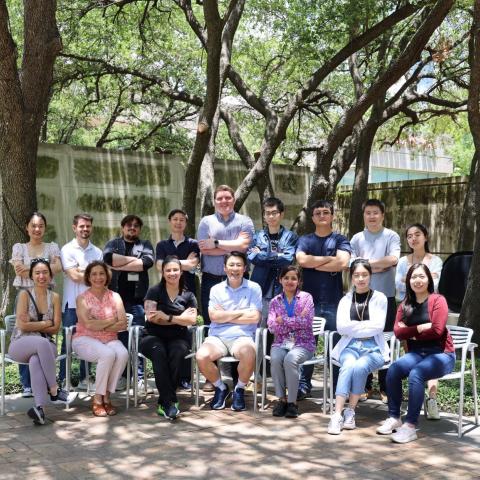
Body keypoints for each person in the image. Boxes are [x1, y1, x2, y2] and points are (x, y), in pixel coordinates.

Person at [377, 264, 455, 443]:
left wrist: (410, 331)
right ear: (408, 281)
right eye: (413, 277)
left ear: (428, 279)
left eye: (421, 276)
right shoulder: (405, 304)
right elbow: (398, 333)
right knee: (394, 369)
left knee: (416, 374)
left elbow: (437, 330)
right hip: (418, 352)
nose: (417, 281)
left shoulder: (438, 300)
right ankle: (394, 417)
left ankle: (411, 426)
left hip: (442, 354)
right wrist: (420, 327)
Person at [197, 185, 255, 390]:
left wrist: (217, 244)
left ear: (234, 200)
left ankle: (241, 375)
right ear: (214, 201)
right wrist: (233, 245)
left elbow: (244, 247)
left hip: (239, 278)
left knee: (242, 321)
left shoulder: (244, 221)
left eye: (228, 198)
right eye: (220, 198)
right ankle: (211, 377)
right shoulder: (206, 221)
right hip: (212, 280)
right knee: (213, 321)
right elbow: (204, 249)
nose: (224, 201)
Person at [295, 200, 351, 399]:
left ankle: (337, 387)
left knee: (335, 347)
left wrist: (315, 263)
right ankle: (303, 385)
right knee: (306, 345)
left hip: (334, 302)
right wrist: (329, 260)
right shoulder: (306, 240)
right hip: (308, 303)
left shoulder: (340, 239)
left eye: (326, 212)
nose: (321, 215)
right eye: (317, 213)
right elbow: (302, 260)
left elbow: (343, 262)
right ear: (312, 217)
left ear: (332, 216)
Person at [327, 259, 389, 435]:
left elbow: (378, 326)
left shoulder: (380, 298)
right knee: (348, 366)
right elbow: (341, 327)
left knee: (361, 366)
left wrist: (354, 327)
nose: (361, 279)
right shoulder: (346, 299)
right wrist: (365, 326)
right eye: (357, 275)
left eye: (364, 275)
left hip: (374, 347)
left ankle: (351, 411)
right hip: (350, 345)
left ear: (370, 276)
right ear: (351, 277)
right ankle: (337, 414)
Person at [8, 258, 72, 425]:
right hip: (20, 343)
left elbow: (56, 328)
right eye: (37, 273)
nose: (41, 276)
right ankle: (54, 390)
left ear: (50, 276)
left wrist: (34, 324)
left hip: (46, 345)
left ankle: (40, 410)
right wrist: (46, 323)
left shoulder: (55, 297)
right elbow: (22, 325)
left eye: (45, 272)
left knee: (36, 359)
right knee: (41, 344)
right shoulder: (24, 295)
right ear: (31, 276)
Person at [195, 252, 262, 411]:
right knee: (201, 356)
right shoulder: (216, 289)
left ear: (245, 268)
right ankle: (221, 387)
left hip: (243, 336)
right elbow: (214, 317)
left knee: (248, 353)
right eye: (231, 265)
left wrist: (225, 315)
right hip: (218, 336)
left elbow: (254, 317)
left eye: (239, 265)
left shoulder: (254, 288)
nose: (235, 269)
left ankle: (239, 389)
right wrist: (241, 312)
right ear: (225, 268)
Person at [350, 198, 400, 402]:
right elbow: (353, 265)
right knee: (364, 338)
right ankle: (365, 385)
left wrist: (366, 265)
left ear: (382, 214)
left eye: (375, 212)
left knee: (386, 339)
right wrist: (379, 266)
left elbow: (393, 260)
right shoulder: (356, 238)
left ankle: (386, 387)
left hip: (386, 296)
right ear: (364, 215)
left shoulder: (391, 236)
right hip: (362, 297)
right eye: (368, 212)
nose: (372, 216)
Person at [9, 212, 62, 398]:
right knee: (23, 333)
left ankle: (45, 387)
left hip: (46, 297)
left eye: (40, 226)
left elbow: (57, 268)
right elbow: (18, 269)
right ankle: (27, 384)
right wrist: (45, 267)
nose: (37, 229)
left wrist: (31, 269)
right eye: (33, 225)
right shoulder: (19, 247)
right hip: (24, 296)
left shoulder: (52, 246)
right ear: (27, 227)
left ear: (45, 228)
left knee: (42, 339)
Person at [140, 256, 198, 420]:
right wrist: (180, 318)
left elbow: (192, 320)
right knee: (159, 352)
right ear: (163, 273)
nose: (172, 273)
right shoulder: (154, 291)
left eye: (175, 270)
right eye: (168, 270)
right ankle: (169, 402)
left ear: (181, 271)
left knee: (178, 351)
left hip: (178, 337)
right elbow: (152, 318)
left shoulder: (188, 295)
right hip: (152, 335)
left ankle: (164, 402)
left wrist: (166, 317)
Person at [395, 223, 443, 418]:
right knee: (411, 358)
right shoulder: (401, 261)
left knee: (431, 356)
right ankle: (414, 398)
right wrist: (422, 279)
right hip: (408, 313)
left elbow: (434, 285)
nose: (413, 239)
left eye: (417, 234)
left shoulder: (436, 260)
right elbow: (397, 287)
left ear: (426, 236)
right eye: (409, 236)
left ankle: (432, 400)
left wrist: (409, 281)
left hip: (431, 313)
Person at [103, 214, 154, 392]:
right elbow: (108, 259)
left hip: (137, 301)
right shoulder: (113, 244)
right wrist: (134, 262)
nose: (132, 228)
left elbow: (147, 262)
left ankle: (139, 378)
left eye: (136, 226)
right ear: (123, 227)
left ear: (139, 229)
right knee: (120, 340)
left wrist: (120, 265)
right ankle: (123, 377)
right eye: (129, 225)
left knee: (138, 339)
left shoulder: (145, 244)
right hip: (115, 301)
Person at [249, 197, 298, 381]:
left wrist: (263, 255)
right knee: (259, 334)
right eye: (267, 213)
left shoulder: (291, 237)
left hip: (283, 292)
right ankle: (256, 375)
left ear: (281, 214)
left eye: (274, 213)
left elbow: (288, 259)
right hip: (261, 290)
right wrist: (275, 255)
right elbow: (251, 258)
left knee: (283, 333)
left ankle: (284, 376)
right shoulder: (257, 236)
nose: (271, 216)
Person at [73, 261, 129, 417]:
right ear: (88, 277)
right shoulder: (82, 298)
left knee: (123, 354)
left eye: (102, 273)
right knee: (107, 354)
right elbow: (88, 325)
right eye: (94, 274)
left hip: (110, 338)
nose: (98, 277)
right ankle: (98, 399)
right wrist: (112, 320)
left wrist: (100, 324)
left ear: (107, 276)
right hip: (84, 338)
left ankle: (106, 396)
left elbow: (123, 323)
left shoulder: (115, 296)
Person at [155, 208, 200, 389]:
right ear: (170, 221)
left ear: (185, 223)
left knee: (186, 333)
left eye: (182, 219)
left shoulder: (193, 244)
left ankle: (185, 377)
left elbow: (194, 264)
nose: (178, 222)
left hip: (187, 293)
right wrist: (184, 263)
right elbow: (159, 266)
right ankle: (169, 377)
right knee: (168, 331)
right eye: (175, 219)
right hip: (166, 294)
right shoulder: (161, 245)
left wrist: (170, 263)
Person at [59, 213, 103, 390]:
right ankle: (64, 379)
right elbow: (74, 276)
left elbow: (99, 278)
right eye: (81, 226)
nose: (85, 229)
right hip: (71, 305)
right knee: (67, 342)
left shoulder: (97, 251)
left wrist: (82, 270)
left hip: (91, 305)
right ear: (74, 228)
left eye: (88, 226)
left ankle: (85, 378)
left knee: (89, 340)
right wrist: (89, 273)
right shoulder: (66, 249)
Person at [267, 266, 314, 419]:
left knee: (290, 359)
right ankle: (281, 400)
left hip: (303, 343)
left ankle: (292, 403)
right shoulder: (275, 301)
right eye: (286, 277)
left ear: (299, 281)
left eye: (294, 278)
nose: (289, 281)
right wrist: (296, 320)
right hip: (280, 342)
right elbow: (272, 327)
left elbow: (306, 323)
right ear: (280, 279)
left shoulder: (306, 297)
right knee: (275, 359)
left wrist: (284, 320)